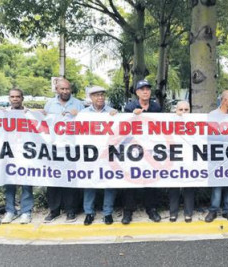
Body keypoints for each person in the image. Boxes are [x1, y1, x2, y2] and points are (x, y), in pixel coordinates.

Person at [43, 78, 85, 223]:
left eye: (67, 89)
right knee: (53, 179)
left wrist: (78, 115)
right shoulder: (49, 104)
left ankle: (70, 211)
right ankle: (54, 210)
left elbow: (88, 123)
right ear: (57, 89)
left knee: (70, 179)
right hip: (54, 149)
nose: (65, 91)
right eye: (62, 89)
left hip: (72, 149)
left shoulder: (78, 104)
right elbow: (43, 123)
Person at [122, 79, 162, 224]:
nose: (145, 91)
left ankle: (151, 209)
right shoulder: (130, 107)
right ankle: (128, 211)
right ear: (137, 92)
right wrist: (133, 115)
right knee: (131, 180)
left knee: (150, 179)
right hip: (133, 150)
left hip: (151, 149)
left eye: (148, 89)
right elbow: (123, 128)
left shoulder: (156, 107)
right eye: (142, 89)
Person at [80, 86, 118, 225]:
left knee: (109, 182)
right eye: (96, 95)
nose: (100, 97)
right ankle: (89, 212)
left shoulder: (112, 113)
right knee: (90, 182)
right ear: (91, 98)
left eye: (102, 95)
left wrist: (118, 117)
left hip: (108, 152)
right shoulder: (83, 114)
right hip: (90, 153)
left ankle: (107, 213)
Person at [0, 88, 34, 224]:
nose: (15, 99)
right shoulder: (3, 113)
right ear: (9, 99)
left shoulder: (29, 113)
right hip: (9, 153)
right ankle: (10, 211)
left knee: (26, 183)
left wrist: (32, 114)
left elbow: (45, 116)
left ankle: (26, 212)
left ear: (22, 98)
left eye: (17, 97)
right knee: (9, 183)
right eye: (12, 97)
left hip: (26, 153)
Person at [205, 90, 228, 223]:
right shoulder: (212, 116)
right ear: (224, 101)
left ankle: (227, 210)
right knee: (217, 184)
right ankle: (213, 210)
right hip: (216, 155)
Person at [168, 100, 196, 223]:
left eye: (186, 110)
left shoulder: (196, 123)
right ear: (176, 110)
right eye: (181, 110)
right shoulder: (168, 122)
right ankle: (173, 213)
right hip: (174, 157)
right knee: (174, 186)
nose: (183, 112)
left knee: (189, 186)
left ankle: (188, 213)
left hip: (190, 157)